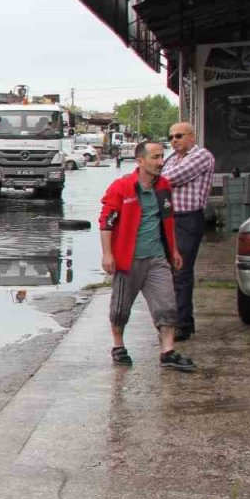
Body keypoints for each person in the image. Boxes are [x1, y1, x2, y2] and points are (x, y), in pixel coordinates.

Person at [99, 140, 195, 372]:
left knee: (167, 306)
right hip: (128, 260)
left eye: (162, 157)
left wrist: (172, 250)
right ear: (140, 161)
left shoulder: (163, 187)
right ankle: (118, 347)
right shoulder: (121, 188)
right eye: (155, 157)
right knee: (120, 308)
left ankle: (168, 352)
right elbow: (106, 222)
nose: (161, 162)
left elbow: (168, 220)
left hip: (157, 259)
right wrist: (108, 254)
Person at [161, 122, 215, 341]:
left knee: (181, 270)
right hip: (168, 218)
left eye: (179, 136)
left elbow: (169, 178)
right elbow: (162, 177)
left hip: (187, 219)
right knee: (168, 272)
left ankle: (183, 324)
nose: (174, 140)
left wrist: (157, 176)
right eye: (171, 137)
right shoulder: (172, 159)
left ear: (192, 137)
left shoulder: (201, 155)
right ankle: (177, 320)